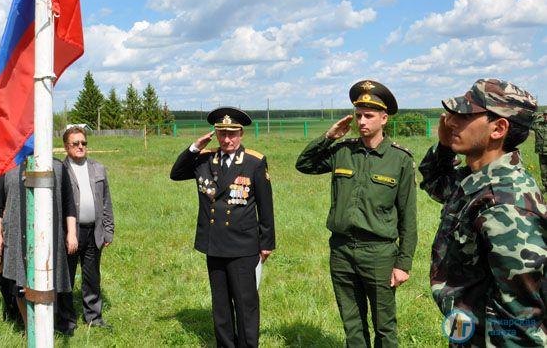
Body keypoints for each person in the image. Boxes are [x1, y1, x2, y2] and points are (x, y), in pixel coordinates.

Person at [419, 78, 546, 346]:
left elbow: (520, 321)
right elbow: (434, 183)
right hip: (466, 331)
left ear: (498, 128)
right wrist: (444, 146)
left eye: (464, 115)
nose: (451, 121)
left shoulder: (506, 205)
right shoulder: (476, 178)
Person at [295, 80, 417, 348]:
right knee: (352, 324)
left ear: (384, 119)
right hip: (341, 251)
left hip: (379, 253)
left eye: (369, 116)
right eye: (358, 115)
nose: (362, 121)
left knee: (384, 326)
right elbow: (304, 164)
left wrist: (403, 263)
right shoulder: (342, 151)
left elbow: (408, 216)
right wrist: (329, 137)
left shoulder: (400, 160)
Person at [170, 107, 275, 348]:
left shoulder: (253, 162)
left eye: (232, 134)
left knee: (246, 304)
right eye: (222, 134)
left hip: (243, 245)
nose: (227, 139)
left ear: (241, 134)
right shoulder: (205, 159)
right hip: (214, 244)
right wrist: (194, 148)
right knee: (220, 305)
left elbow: (265, 205)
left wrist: (266, 242)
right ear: (216, 134)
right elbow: (176, 174)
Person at [0, 161, 78, 329]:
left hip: (51, 235)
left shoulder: (58, 167)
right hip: (17, 235)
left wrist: (72, 233)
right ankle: (30, 327)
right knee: (20, 285)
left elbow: (69, 204)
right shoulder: (7, 166)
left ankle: (46, 328)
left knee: (50, 282)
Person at [58, 127, 115, 334]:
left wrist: (108, 230)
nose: (81, 147)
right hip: (70, 234)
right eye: (76, 144)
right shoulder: (60, 171)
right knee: (66, 278)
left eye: (84, 143)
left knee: (92, 277)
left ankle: (94, 317)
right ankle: (66, 321)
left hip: (95, 232)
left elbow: (106, 201)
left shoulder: (98, 168)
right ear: (66, 147)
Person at [533, 108, 547, 193]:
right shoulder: (538, 125)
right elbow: (530, 123)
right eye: (545, 115)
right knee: (544, 172)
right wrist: (537, 116)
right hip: (541, 152)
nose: (546, 117)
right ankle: (546, 187)